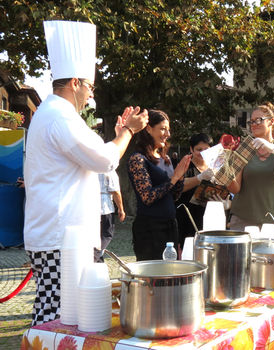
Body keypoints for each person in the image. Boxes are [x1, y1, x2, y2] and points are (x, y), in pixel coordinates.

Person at [24, 20, 148, 326]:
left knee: (66, 313)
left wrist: (119, 135)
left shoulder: (56, 115)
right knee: (55, 317)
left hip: (63, 236)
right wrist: (128, 133)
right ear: (76, 82)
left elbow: (95, 154)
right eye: (90, 87)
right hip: (61, 238)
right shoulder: (60, 116)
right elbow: (105, 159)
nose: (90, 95)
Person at [128, 109, 191, 261]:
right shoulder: (138, 159)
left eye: (168, 130)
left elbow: (174, 196)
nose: (167, 134)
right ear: (148, 129)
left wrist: (180, 177)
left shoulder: (166, 158)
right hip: (150, 228)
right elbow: (147, 196)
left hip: (170, 225)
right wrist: (174, 178)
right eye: (162, 129)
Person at [228, 103, 274, 232]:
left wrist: (273, 149)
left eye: (259, 120)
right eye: (252, 121)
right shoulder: (245, 148)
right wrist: (224, 170)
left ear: (271, 122)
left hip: (271, 222)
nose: (254, 124)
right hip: (242, 220)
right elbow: (235, 188)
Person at [176, 133, 214, 246]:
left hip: (208, 217)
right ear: (191, 150)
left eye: (206, 149)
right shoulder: (185, 163)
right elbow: (177, 186)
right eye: (199, 149)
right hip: (187, 217)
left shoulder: (214, 165)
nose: (202, 152)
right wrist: (200, 178)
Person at [94, 170, 125, 262]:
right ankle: (94, 256)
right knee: (106, 235)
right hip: (104, 207)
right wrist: (121, 209)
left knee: (95, 235)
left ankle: (98, 260)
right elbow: (115, 191)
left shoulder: (88, 165)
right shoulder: (108, 170)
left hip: (88, 206)